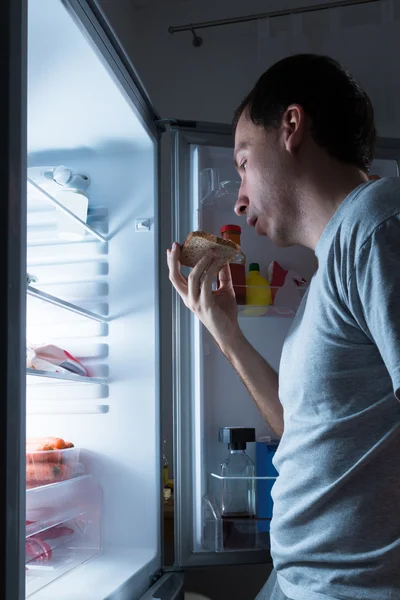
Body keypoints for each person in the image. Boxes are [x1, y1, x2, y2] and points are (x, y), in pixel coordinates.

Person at [167, 54, 400, 600]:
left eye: (244, 161)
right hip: (301, 579)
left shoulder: (376, 225)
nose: (240, 195)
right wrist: (224, 331)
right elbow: (300, 429)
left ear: (291, 127)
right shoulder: (333, 265)